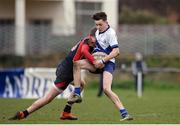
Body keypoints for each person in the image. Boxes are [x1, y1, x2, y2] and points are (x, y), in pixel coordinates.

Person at [8, 28, 101, 120]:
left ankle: (66, 112)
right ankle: (24, 113)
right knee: (48, 98)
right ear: (90, 37)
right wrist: (95, 62)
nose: (94, 42)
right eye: (94, 40)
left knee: (81, 84)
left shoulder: (87, 41)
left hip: (67, 68)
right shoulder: (86, 45)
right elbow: (84, 51)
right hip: (66, 74)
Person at [69, 12, 133, 121]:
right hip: (97, 62)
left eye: (100, 24)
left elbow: (116, 51)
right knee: (77, 64)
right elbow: (90, 42)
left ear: (106, 22)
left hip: (108, 63)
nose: (98, 27)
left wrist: (103, 60)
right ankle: (78, 93)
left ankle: (125, 113)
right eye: (96, 25)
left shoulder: (111, 33)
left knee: (106, 89)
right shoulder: (97, 32)